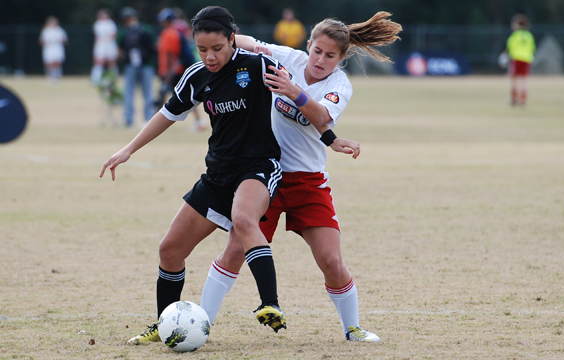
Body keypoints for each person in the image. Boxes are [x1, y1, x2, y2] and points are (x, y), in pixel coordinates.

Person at [200, 12, 402, 342]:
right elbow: (250, 43)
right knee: (235, 250)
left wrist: (294, 92)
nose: (321, 60)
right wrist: (228, 39)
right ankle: (202, 324)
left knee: (331, 261)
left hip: (308, 182)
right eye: (317, 51)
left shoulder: (339, 85)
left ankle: (353, 329)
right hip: (265, 176)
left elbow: (322, 115)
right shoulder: (288, 58)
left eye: (331, 55)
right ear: (308, 45)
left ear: (341, 58)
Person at [100, 5, 287, 344]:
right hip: (217, 174)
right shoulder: (197, 75)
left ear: (232, 39)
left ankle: (269, 304)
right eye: (202, 50)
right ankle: (165, 325)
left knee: (244, 219)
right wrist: (128, 149)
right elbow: (167, 114)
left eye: (217, 48)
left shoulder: (258, 65)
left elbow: (295, 93)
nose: (210, 56)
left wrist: (326, 133)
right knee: (169, 249)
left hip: (258, 167)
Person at [155, 7, 206, 132]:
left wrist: (168, 72)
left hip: (176, 71)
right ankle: (199, 121)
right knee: (181, 97)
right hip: (177, 70)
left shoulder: (170, 33)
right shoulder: (175, 31)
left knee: (175, 97)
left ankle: (153, 122)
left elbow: (171, 54)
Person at [117, 7, 156, 128]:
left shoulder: (123, 31)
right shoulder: (147, 29)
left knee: (129, 94)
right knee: (148, 94)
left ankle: (129, 121)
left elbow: (119, 51)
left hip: (131, 66)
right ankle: (149, 120)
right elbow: (155, 46)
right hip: (147, 65)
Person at [504, 14, 536, 106]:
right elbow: (533, 49)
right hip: (526, 59)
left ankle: (514, 99)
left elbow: (509, 49)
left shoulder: (514, 36)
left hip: (516, 59)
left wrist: (507, 57)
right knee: (523, 80)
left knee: (514, 80)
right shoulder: (529, 36)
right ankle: (523, 99)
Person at [91, 9, 119, 85]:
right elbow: (96, 37)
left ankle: (112, 78)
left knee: (111, 62)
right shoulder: (97, 24)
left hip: (109, 44)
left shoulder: (111, 24)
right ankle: (96, 79)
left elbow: (114, 35)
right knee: (99, 61)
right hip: (101, 44)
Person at [39, 16, 67, 83]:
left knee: (57, 62)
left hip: (57, 48)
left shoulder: (59, 30)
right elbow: (42, 41)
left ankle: (57, 75)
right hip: (49, 49)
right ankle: (50, 75)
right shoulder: (46, 31)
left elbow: (65, 40)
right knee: (49, 63)